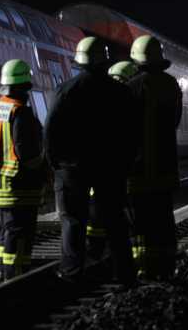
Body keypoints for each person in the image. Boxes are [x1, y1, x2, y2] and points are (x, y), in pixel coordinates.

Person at [44, 37, 136, 284]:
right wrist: (126, 163)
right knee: (115, 220)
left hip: (71, 168)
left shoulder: (65, 90)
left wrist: (55, 163)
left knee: (73, 221)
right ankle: (124, 274)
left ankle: (72, 273)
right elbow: (132, 132)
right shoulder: (122, 93)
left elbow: (50, 130)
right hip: (110, 167)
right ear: (104, 62)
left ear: (80, 62)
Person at [127, 35, 182, 280]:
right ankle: (167, 267)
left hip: (138, 169)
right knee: (164, 219)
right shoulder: (172, 85)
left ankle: (144, 268)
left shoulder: (130, 88)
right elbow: (175, 121)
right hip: (166, 166)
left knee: (141, 222)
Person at [0, 59, 46, 281]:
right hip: (19, 185)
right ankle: (16, 276)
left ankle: (3, 272)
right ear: (24, 86)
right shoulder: (21, 112)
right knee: (20, 234)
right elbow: (26, 152)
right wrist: (44, 169)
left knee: (7, 232)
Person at [86, 60, 139, 261]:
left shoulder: (95, 98)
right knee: (119, 216)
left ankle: (95, 256)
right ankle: (122, 259)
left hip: (96, 171)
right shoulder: (127, 101)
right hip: (116, 171)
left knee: (97, 216)